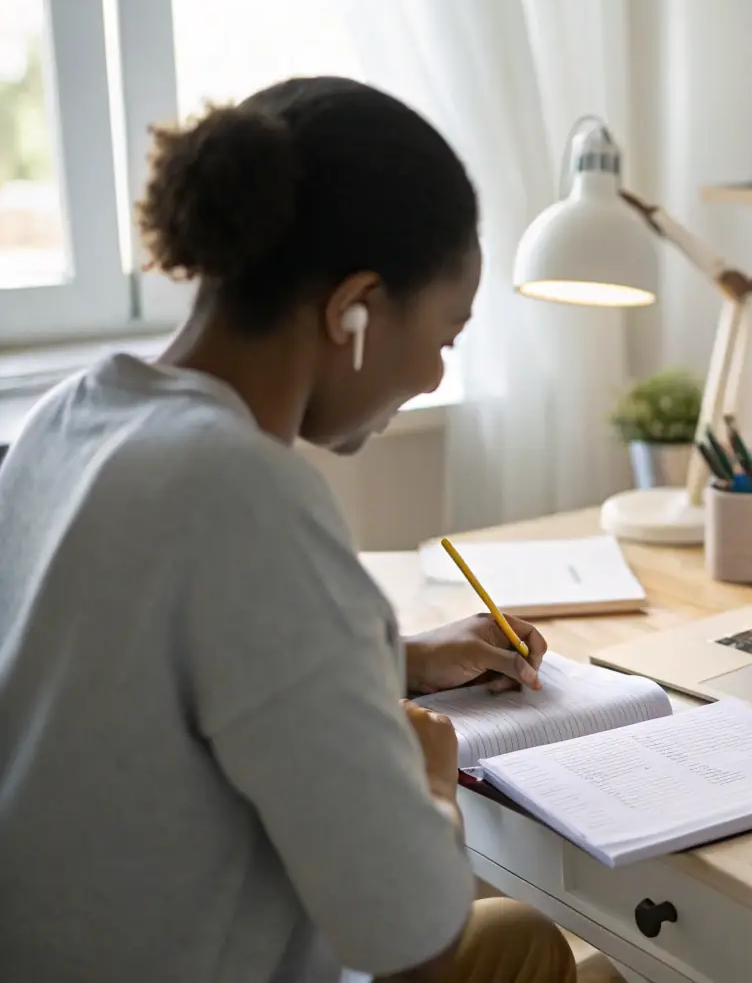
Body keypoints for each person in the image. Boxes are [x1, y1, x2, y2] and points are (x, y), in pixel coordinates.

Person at [0, 77, 576, 982]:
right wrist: (429, 782)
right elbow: (411, 944)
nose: (430, 375)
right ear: (354, 309)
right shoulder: (242, 492)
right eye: (446, 335)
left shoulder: (67, 418)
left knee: (530, 943)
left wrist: (394, 661)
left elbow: (127, 675)